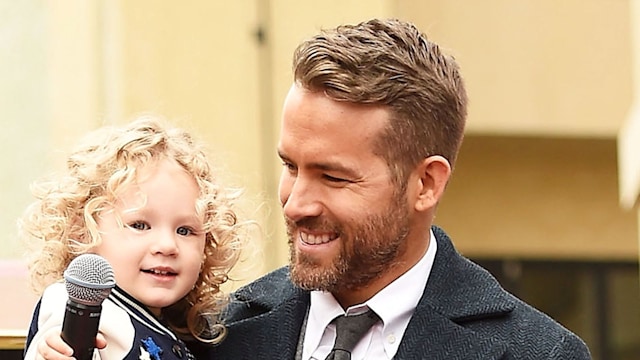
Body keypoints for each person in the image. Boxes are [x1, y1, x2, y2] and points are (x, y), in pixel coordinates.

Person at [204, 18, 592, 359]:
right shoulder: (216, 335)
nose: (295, 205)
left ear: (425, 184)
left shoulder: (538, 353)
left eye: (333, 177)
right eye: (291, 166)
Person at [21, 116, 252, 360]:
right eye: (140, 225)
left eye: (185, 230)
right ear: (84, 230)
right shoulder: (84, 310)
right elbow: (53, 340)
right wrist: (55, 350)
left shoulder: (178, 329)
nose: (167, 246)